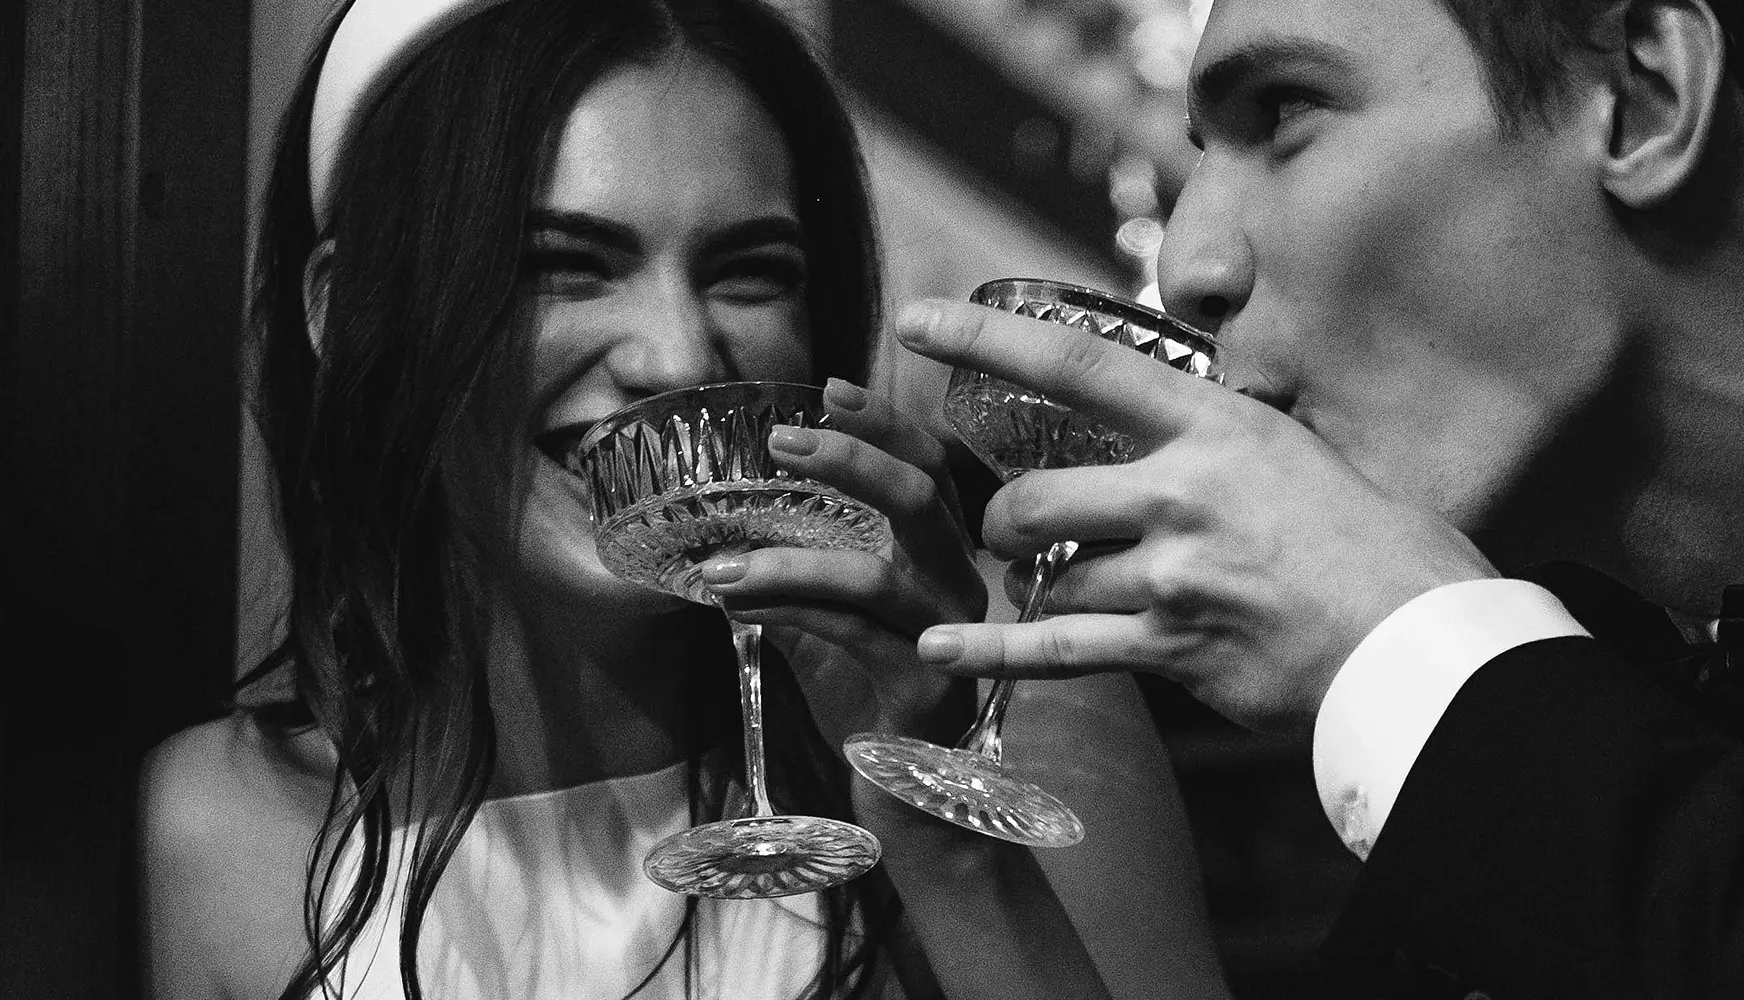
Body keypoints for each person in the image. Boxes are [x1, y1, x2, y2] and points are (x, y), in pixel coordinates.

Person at [891, 0, 1744, 995]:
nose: (1185, 267)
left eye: (1281, 110)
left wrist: (1415, 662)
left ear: (1643, 96)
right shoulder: (1611, 660)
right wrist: (950, 860)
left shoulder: (1508, 700)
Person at [135, 1, 1231, 998]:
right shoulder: (214, 821)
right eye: (562, 263)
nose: (675, 356)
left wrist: (937, 832)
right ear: (345, 307)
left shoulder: (1011, 697)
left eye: (748, 271)